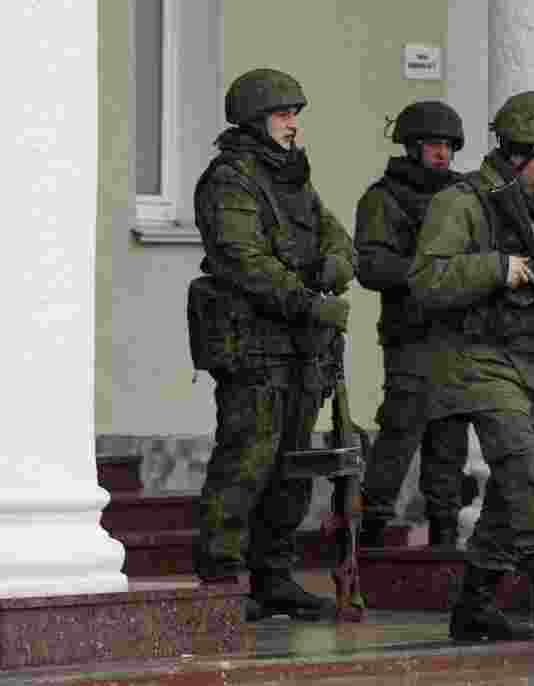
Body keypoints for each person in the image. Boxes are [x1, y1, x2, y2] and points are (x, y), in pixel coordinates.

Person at [409, 90, 534, 641]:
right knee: (528, 478)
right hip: (477, 361)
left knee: (508, 492)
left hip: (531, 363)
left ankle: (475, 603)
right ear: (518, 153)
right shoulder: (463, 203)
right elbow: (427, 279)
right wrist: (500, 268)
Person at [188, 68, 354, 621]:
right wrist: (309, 300)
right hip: (254, 346)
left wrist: (335, 262)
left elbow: (334, 235)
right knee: (246, 463)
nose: (292, 124)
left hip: (301, 349)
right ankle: (220, 580)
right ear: (256, 118)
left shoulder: (294, 177)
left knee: (291, 467)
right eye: (284, 114)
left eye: (296, 115)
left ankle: (273, 576)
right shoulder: (231, 180)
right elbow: (245, 261)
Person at [355, 101, 472, 548]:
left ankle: (444, 534)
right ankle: (371, 532)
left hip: (457, 334)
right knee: (401, 433)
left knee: (449, 439)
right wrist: (427, 274)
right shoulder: (385, 198)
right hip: (411, 334)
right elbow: (371, 265)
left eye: (447, 145)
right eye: (432, 145)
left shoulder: (463, 197)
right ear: (412, 147)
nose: (441, 154)